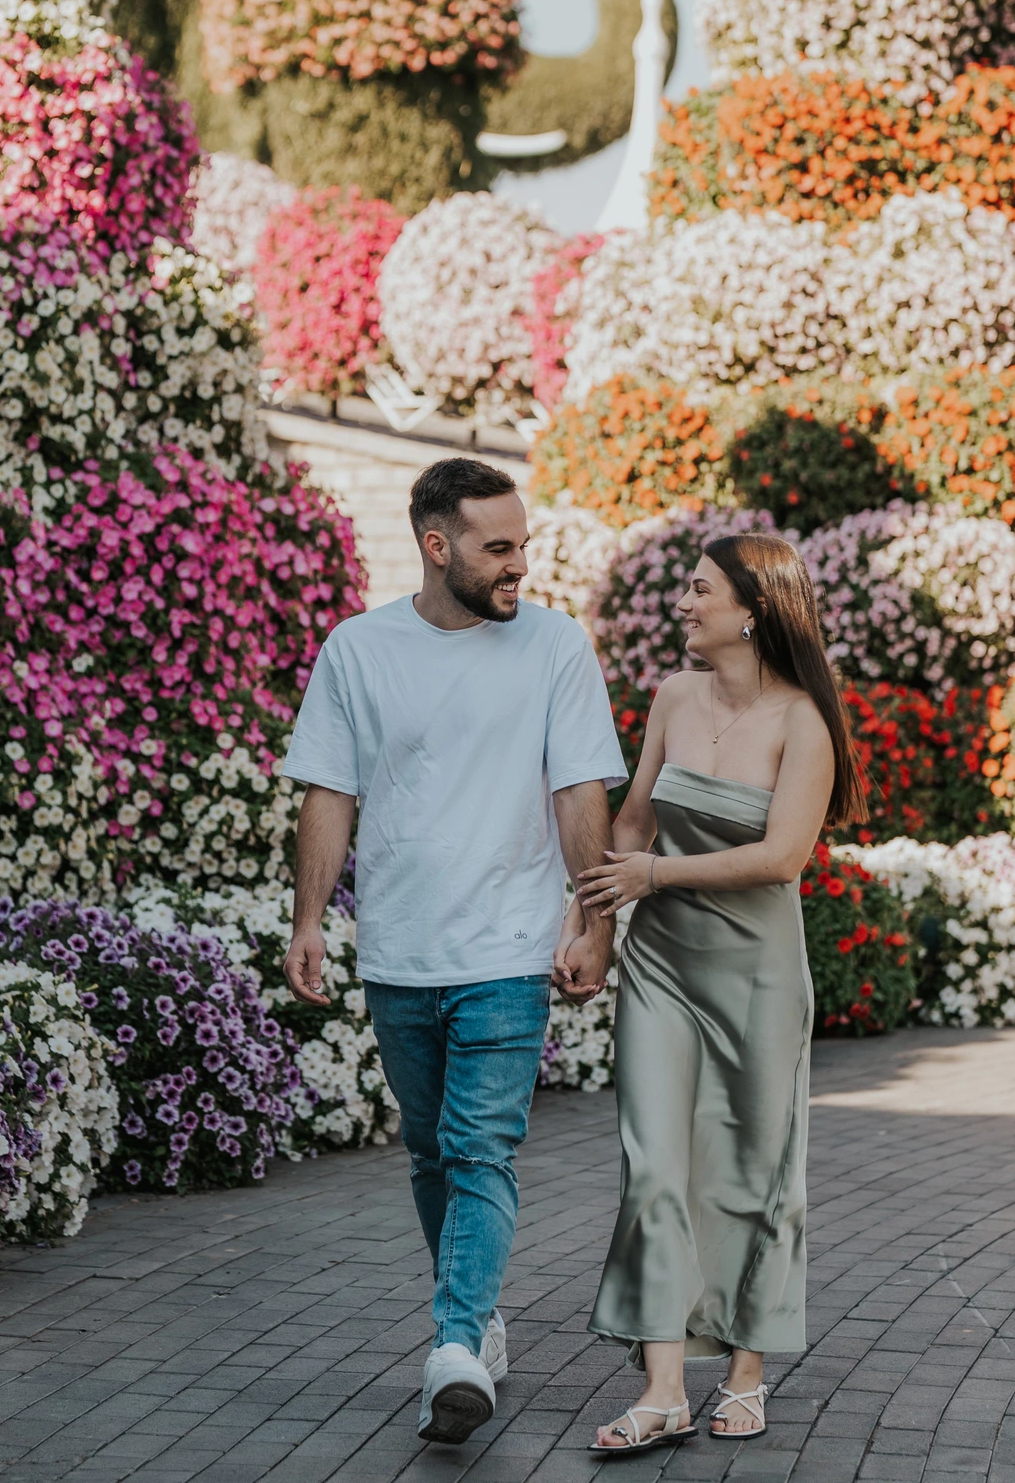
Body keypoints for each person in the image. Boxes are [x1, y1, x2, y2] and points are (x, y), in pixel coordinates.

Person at [281, 456, 627, 1446]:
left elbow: (578, 792)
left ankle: (450, 1351)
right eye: (498, 547)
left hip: (508, 950)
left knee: (482, 1150)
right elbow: (328, 793)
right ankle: (477, 1322)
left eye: (523, 543)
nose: (520, 564)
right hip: (397, 950)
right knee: (432, 1155)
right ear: (437, 547)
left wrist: (590, 920)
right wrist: (311, 919)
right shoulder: (357, 650)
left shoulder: (556, 647)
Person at [572, 531, 865, 1456]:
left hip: (756, 974)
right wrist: (597, 931)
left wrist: (655, 878)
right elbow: (632, 818)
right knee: (654, 1166)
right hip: (660, 967)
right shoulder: (672, 695)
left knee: (751, 1169)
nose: (683, 604)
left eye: (698, 591)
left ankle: (745, 1369)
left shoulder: (802, 722)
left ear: (754, 609)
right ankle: (662, 1388)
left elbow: (782, 857)